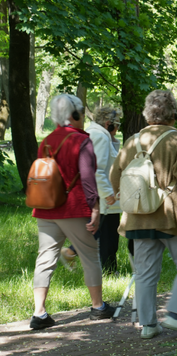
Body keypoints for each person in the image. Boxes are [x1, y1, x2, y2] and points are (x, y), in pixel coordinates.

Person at [110, 90, 177, 339]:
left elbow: (115, 175)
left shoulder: (133, 140)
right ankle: (175, 315)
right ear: (173, 114)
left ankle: (149, 325)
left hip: (138, 215)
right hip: (169, 214)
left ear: (147, 114)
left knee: (144, 272)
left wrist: (119, 194)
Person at [30, 94, 115, 330]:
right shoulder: (81, 141)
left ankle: (39, 313)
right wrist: (95, 207)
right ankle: (98, 307)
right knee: (89, 255)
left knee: (45, 257)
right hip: (74, 207)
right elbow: (88, 177)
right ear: (74, 114)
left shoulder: (46, 140)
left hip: (46, 207)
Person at [77, 106, 123, 275]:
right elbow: (98, 170)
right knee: (108, 238)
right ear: (108, 123)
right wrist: (107, 194)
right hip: (102, 197)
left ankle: (105, 269)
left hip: (99, 196)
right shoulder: (100, 137)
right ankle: (108, 271)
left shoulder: (97, 134)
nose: (117, 129)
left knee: (105, 235)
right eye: (116, 125)